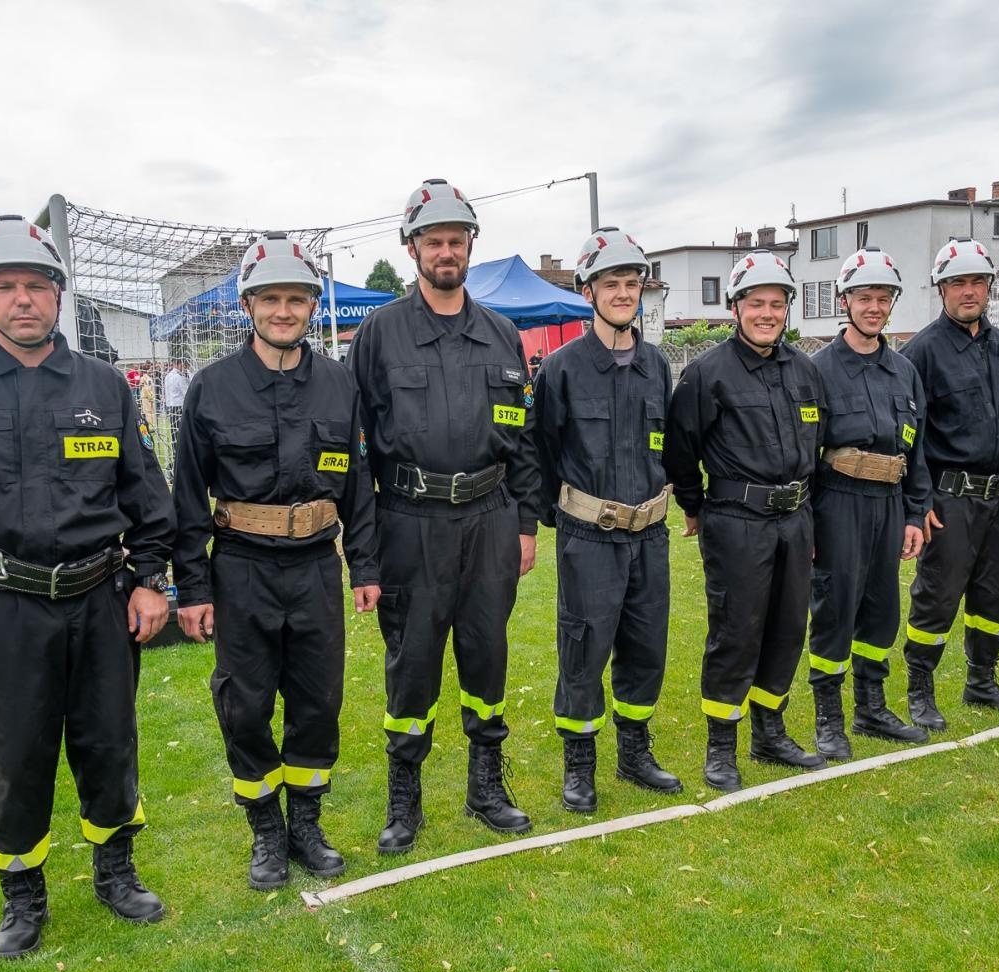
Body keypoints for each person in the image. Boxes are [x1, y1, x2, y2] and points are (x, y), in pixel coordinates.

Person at [0, 214, 175, 959]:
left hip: (100, 599)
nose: (24, 300)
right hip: (1, 607)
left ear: (58, 295)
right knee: (15, 757)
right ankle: (23, 894)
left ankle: (116, 872)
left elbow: (148, 496)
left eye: (37, 286)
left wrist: (150, 580)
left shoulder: (105, 388)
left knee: (109, 743)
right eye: (6, 287)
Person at [172, 234, 382, 890]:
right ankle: (266, 828)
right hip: (241, 569)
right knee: (246, 703)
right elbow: (187, 498)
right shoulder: (212, 389)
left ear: (312, 305)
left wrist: (366, 568)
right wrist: (193, 585)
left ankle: (307, 824)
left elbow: (358, 487)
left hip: (318, 565)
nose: (284, 311)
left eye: (296, 299)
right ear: (249, 305)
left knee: (319, 702)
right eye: (271, 299)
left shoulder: (339, 386)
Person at [348, 179, 542, 852]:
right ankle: (406, 800)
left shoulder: (501, 335)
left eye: (457, 240)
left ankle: (486, 786)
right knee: (414, 662)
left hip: (490, 519)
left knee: (487, 655)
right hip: (410, 520)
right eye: (434, 240)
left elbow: (521, 435)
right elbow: (355, 450)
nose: (446, 251)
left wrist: (524, 525)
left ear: (469, 247)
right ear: (412, 249)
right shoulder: (378, 334)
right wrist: (365, 557)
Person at [664, 249, 827, 792]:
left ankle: (769, 732)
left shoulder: (805, 370)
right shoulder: (707, 373)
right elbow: (680, 451)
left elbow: (817, 448)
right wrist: (694, 505)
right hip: (737, 521)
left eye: (776, 304)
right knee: (737, 631)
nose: (767, 313)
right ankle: (721, 745)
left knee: (787, 628)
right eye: (756, 303)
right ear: (736, 307)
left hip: (796, 518)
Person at [532, 227, 682, 812]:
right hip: (588, 535)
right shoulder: (563, 369)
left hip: (650, 534)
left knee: (645, 647)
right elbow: (542, 450)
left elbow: (667, 447)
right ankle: (580, 763)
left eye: (632, 282)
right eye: (611, 283)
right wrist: (563, 519)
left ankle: (634, 751)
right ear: (588, 290)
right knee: (584, 647)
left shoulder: (655, 366)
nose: (624, 293)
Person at [900, 238, 999, 730]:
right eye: (958, 283)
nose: (969, 292)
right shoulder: (922, 352)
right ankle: (920, 691)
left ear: (990, 288)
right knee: (937, 596)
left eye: (978, 281)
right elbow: (908, 436)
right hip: (948, 499)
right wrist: (922, 499)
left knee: (997, 595)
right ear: (941, 290)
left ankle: (982, 681)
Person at [807, 248, 933, 758]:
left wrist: (914, 514)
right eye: (864, 297)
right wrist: (810, 521)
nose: (874, 306)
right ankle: (828, 718)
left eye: (883, 298)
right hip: (838, 500)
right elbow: (805, 451)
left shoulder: (903, 371)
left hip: (889, 500)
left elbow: (917, 449)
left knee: (882, 610)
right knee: (835, 608)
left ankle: (871, 707)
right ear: (845, 301)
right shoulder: (817, 369)